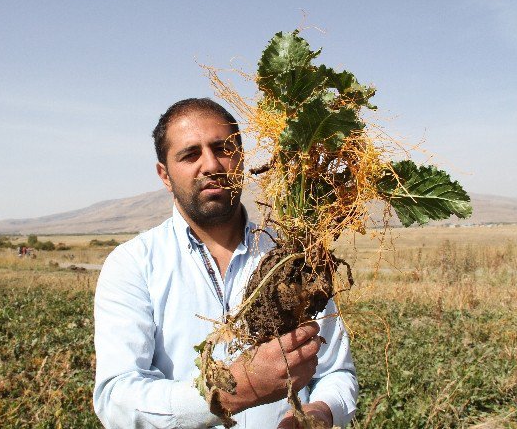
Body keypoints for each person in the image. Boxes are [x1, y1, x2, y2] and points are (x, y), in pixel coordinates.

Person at [93, 98, 358, 428]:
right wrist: (234, 391)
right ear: (165, 174)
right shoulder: (133, 265)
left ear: (242, 158)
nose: (211, 165)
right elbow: (116, 399)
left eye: (223, 149)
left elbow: (336, 373)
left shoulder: (295, 257)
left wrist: (322, 412)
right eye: (191, 154)